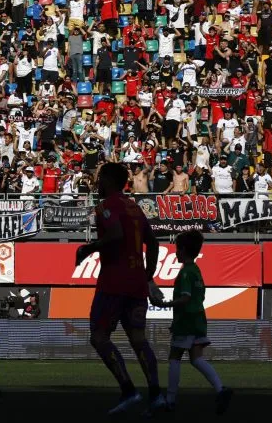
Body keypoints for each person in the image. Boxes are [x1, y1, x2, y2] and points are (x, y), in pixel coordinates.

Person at [74, 162, 163, 415]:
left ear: (110, 181)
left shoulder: (106, 205)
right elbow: (154, 244)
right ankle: (155, 395)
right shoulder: (134, 206)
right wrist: (147, 277)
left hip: (113, 282)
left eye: (100, 179)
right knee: (138, 339)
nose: (97, 183)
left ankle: (128, 390)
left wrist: (87, 249)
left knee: (99, 337)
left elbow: (115, 235)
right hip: (136, 284)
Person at [153, 231, 233, 414]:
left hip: (187, 320)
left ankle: (170, 400)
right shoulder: (196, 271)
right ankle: (221, 389)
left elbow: (185, 299)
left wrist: (164, 304)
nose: (175, 252)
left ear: (183, 250)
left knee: (174, 357)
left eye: (177, 248)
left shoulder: (186, 273)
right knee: (196, 359)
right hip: (198, 320)